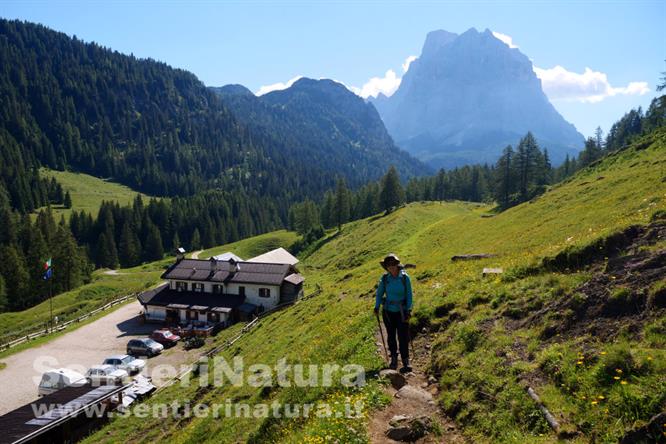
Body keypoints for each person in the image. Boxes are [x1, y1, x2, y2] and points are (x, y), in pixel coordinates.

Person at [374, 253, 413, 373]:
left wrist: (409, 309)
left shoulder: (405, 278)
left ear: (397, 264)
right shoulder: (385, 279)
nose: (391, 267)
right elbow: (379, 293)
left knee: (403, 336)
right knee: (391, 336)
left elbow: (409, 295)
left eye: (393, 264)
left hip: (402, 311)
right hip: (388, 312)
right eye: (388, 265)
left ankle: (406, 360)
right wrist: (376, 307)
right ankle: (394, 359)